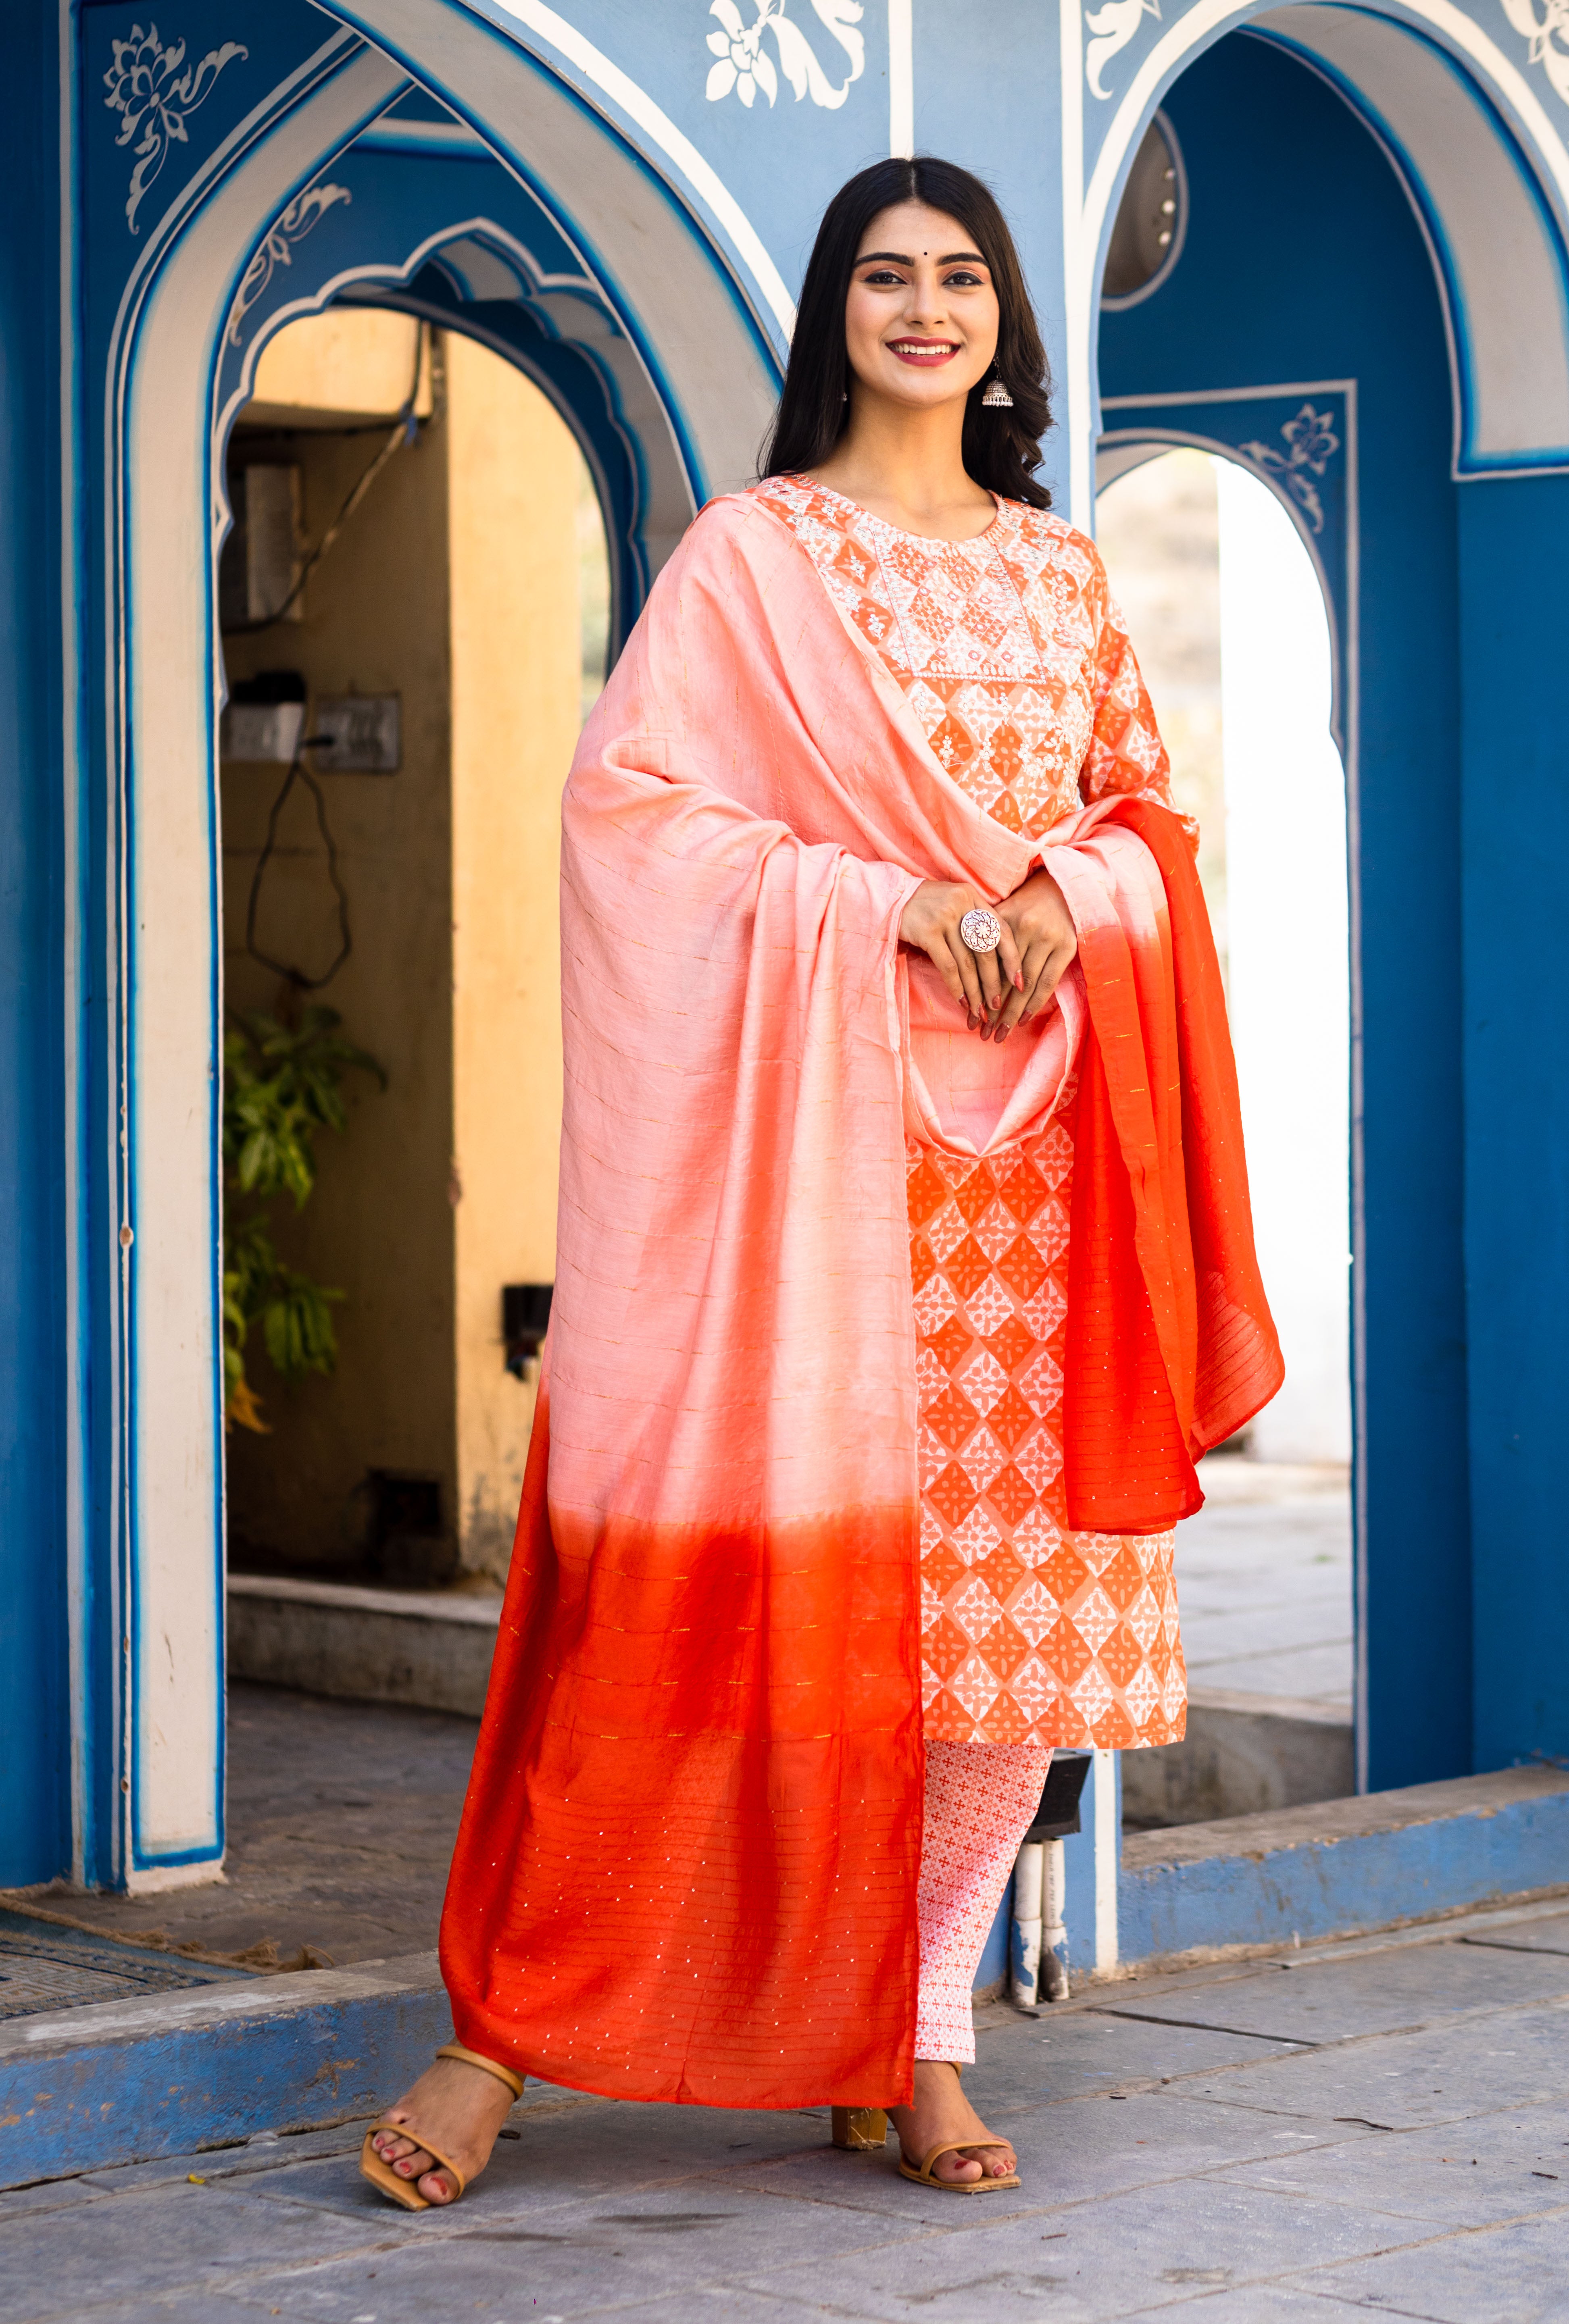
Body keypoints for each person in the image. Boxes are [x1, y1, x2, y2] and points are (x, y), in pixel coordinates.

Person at [361, 156, 1280, 2213]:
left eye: (961, 278)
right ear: (837, 313)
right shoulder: (753, 556)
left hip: (1035, 1185)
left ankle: (917, 2034)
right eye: (888, 277)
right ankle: (503, 2030)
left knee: (1002, 1642)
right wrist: (878, 901)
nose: (927, 309)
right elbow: (633, 818)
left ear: (1001, 318)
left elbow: (1147, 817)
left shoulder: (1056, 572)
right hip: (811, 1188)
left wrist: (1060, 884)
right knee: (701, 1630)